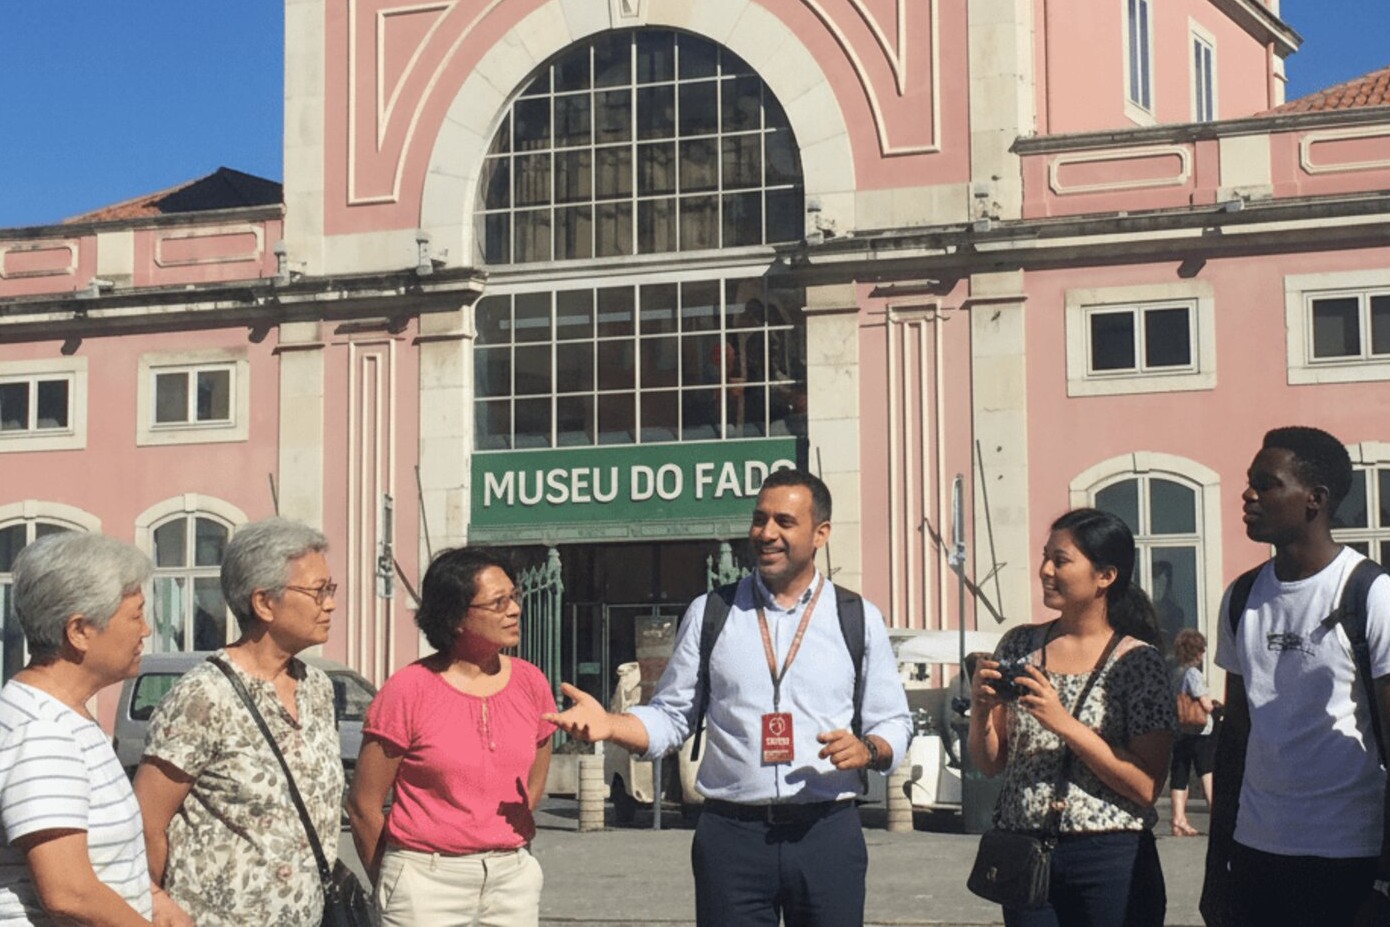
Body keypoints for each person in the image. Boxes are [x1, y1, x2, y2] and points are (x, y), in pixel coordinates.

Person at [546, 468, 912, 927]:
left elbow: (894, 720)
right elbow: (672, 717)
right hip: (732, 839)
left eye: (784, 521)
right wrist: (611, 725)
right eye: (759, 520)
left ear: (821, 533)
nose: (766, 534)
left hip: (826, 833)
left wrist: (869, 749)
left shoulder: (856, 617)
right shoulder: (711, 612)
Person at [1203, 426, 1390, 927]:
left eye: (1267, 484)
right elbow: (1235, 737)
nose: (1249, 495)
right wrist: (1215, 869)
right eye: (1250, 482)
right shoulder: (1242, 597)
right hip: (1256, 852)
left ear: (1316, 499)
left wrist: (1384, 880)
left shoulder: (1370, 593)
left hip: (1348, 855)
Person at [133, 518, 344, 927]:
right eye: (319, 592)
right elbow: (146, 822)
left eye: (330, 590)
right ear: (264, 602)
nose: (331, 604)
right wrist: (154, 902)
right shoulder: (203, 696)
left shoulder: (316, 687)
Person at [968, 508, 1173, 927]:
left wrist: (1062, 723)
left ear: (1105, 576)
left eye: (1060, 561)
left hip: (1110, 858)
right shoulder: (1020, 644)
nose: (1045, 570)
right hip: (1024, 852)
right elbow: (991, 763)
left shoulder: (1137, 662)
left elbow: (1146, 786)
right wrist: (981, 713)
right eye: (1045, 557)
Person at [348, 548, 556, 927]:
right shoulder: (408, 690)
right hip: (425, 881)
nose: (513, 610)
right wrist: (394, 882)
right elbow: (364, 804)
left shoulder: (531, 683)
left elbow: (534, 776)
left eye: (514, 597)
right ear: (457, 617)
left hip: (511, 878)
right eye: (498, 602)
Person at [0, 534, 190, 927]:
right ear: (79, 630)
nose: (145, 631)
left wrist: (152, 898)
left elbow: (100, 857)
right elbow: (68, 889)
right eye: (135, 615)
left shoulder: (66, 715)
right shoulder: (42, 730)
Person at [1169, 628, 1216, 837]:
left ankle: (1178, 820)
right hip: (1199, 731)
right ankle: (1217, 818)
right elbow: (1204, 704)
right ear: (1196, 652)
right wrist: (1215, 706)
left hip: (1180, 730)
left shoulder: (1176, 673)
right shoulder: (1193, 674)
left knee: (1180, 774)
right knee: (1207, 772)